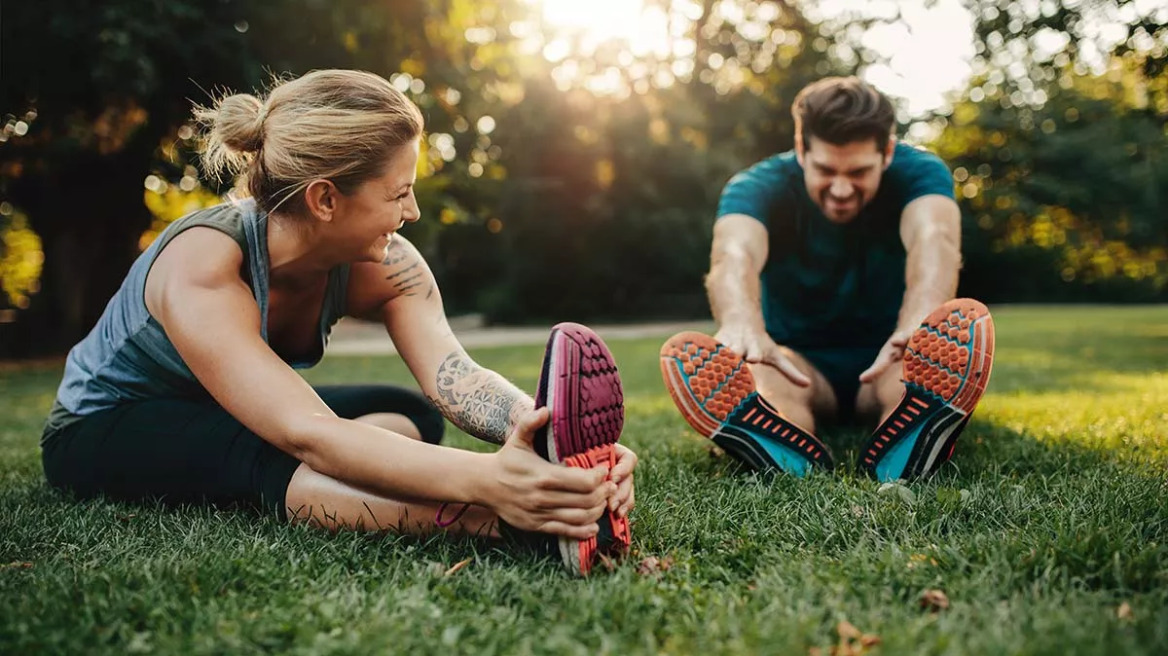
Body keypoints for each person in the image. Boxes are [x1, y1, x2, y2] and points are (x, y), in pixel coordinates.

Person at [39, 69, 636, 576]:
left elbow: (453, 373)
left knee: (412, 416)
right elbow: (307, 431)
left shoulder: (385, 263)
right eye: (398, 193)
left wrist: (553, 440)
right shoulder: (204, 264)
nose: (413, 211)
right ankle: (502, 526)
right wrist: (494, 483)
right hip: (105, 425)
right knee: (277, 452)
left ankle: (349, 485)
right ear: (325, 199)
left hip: (226, 412)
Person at [660, 77, 995, 481]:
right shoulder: (756, 186)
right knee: (766, 379)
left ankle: (912, 435)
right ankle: (783, 440)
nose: (840, 188)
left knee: (911, 379)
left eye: (858, 172)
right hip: (798, 363)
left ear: (887, 153)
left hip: (888, 355)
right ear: (801, 150)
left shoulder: (920, 172)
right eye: (824, 169)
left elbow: (933, 238)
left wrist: (919, 324)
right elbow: (734, 254)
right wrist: (742, 324)